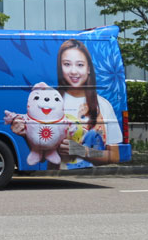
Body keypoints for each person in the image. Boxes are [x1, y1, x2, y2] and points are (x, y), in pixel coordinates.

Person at [9, 39, 122, 167]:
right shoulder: (49, 101)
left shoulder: (102, 105)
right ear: (60, 68)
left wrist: (80, 150)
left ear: (89, 68)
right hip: (55, 176)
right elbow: (41, 158)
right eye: (67, 64)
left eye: (80, 65)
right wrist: (26, 133)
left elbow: (114, 156)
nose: (73, 71)